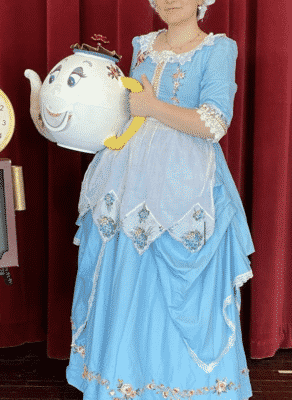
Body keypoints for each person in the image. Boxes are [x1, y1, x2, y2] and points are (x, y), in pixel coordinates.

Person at [66, 1, 254, 399]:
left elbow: (214, 122)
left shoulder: (219, 48)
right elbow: (127, 110)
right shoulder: (142, 45)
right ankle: (125, 383)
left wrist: (151, 107)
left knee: (175, 284)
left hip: (189, 181)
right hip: (128, 174)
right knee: (126, 277)